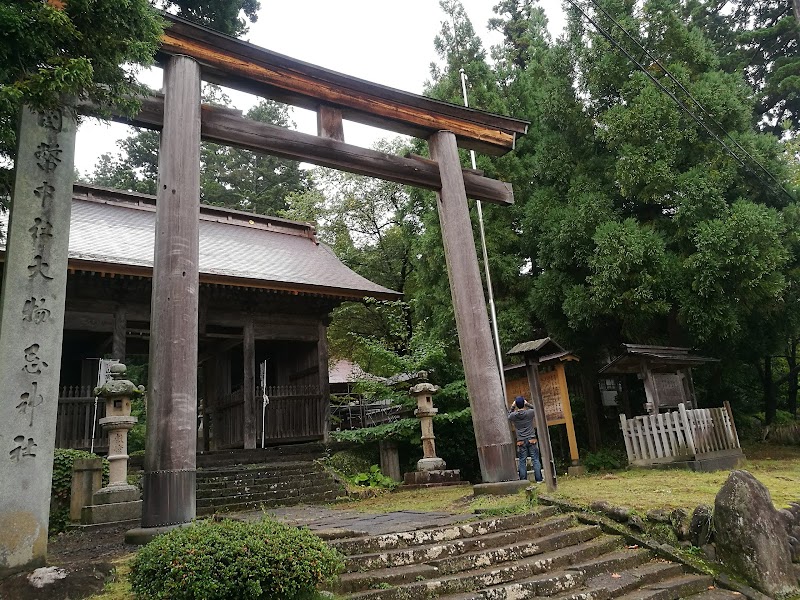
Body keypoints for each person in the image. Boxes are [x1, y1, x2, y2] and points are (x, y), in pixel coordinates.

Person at [507, 395, 543, 482]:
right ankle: (538, 479)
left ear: (516, 404)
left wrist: (512, 406)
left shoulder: (514, 415)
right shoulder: (529, 413)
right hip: (532, 439)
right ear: (524, 403)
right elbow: (537, 409)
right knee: (535, 459)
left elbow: (508, 415)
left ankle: (523, 480)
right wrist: (528, 404)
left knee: (522, 461)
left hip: (520, 441)